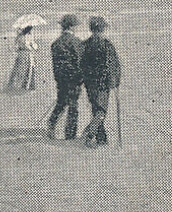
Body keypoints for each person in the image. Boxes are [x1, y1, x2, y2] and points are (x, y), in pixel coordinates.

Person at [80, 15, 122, 148]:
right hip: (103, 84)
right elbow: (113, 65)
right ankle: (91, 132)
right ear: (102, 29)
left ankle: (101, 138)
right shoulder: (107, 45)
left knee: (95, 109)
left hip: (90, 83)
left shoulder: (85, 44)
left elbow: (81, 64)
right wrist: (115, 81)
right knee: (101, 111)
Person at [45, 15, 84, 140]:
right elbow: (80, 62)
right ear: (72, 27)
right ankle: (70, 134)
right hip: (74, 79)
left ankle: (51, 123)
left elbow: (56, 65)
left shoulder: (56, 43)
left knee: (61, 103)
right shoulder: (76, 42)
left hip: (61, 79)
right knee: (73, 106)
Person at [6, 25, 38, 93]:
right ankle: (17, 85)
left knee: (29, 69)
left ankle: (28, 86)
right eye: (30, 29)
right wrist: (31, 47)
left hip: (28, 54)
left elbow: (33, 44)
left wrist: (34, 46)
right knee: (21, 69)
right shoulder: (21, 36)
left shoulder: (28, 35)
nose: (31, 30)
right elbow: (23, 45)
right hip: (23, 54)